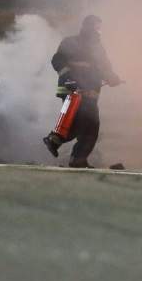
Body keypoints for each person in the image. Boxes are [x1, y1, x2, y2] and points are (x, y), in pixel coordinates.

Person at [42, 15, 122, 167]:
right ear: (85, 27)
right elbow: (57, 61)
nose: (97, 31)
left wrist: (113, 78)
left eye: (99, 28)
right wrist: (69, 79)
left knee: (89, 126)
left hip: (91, 92)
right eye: (94, 27)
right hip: (73, 90)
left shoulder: (98, 48)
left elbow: (105, 68)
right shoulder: (70, 42)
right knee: (85, 124)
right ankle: (60, 144)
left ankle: (74, 155)